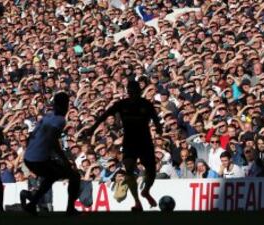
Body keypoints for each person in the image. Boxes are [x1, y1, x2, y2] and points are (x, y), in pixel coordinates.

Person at [87, 80, 162, 211]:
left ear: (139, 91)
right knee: (129, 170)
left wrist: (158, 128)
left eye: (135, 90)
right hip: (129, 142)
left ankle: (146, 190)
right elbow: (105, 114)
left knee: (151, 170)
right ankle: (137, 202)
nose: (133, 93)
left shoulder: (146, 104)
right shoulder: (122, 104)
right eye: (131, 91)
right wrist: (93, 128)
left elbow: (156, 119)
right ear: (128, 92)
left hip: (145, 141)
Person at [21, 92, 80, 216]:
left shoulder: (47, 116)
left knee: (52, 176)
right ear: (64, 105)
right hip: (38, 159)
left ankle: (32, 202)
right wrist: (65, 160)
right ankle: (70, 209)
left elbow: (32, 135)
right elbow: (53, 141)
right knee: (74, 176)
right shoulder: (60, 120)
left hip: (30, 157)